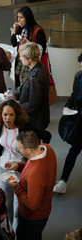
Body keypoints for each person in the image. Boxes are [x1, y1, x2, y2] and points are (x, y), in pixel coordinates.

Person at [0, 99, 52, 237]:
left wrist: (37, 157)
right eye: (5, 114)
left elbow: (47, 136)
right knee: (7, 200)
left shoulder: (24, 127)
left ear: (17, 115)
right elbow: (0, 141)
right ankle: (9, 226)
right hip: (4, 167)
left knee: (18, 203)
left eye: (11, 115)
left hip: (21, 168)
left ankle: (15, 230)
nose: (7, 118)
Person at [5, 131, 57, 240]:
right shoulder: (46, 148)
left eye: (20, 149)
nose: (19, 150)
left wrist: (16, 186)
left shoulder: (36, 173)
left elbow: (32, 204)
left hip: (32, 218)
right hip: (45, 208)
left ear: (28, 150)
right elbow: (31, 166)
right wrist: (18, 166)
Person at [53, 53, 82, 194]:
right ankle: (63, 181)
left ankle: (64, 181)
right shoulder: (78, 76)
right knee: (74, 150)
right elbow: (73, 95)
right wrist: (67, 107)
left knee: (74, 150)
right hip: (79, 119)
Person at [11, 6, 52, 87]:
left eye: (21, 17)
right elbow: (13, 43)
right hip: (22, 62)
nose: (18, 20)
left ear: (28, 18)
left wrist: (27, 43)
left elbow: (42, 51)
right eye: (18, 17)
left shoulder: (38, 30)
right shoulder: (20, 28)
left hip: (32, 65)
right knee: (23, 85)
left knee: (31, 86)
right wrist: (14, 31)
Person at [13, 42, 50, 130]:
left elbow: (33, 105)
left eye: (22, 56)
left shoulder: (35, 77)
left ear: (29, 59)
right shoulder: (39, 67)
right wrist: (16, 96)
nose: (20, 58)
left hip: (33, 122)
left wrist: (16, 106)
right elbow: (29, 91)